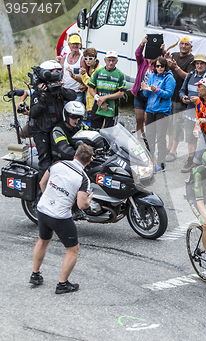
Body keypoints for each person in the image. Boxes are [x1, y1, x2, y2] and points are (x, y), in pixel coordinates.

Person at [29, 144, 94, 294]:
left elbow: (42, 183)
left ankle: (35, 274)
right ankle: (62, 284)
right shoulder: (83, 179)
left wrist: (50, 197)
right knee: (73, 249)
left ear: (75, 155)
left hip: (43, 209)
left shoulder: (58, 164)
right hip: (60, 216)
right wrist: (89, 199)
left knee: (43, 240)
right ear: (89, 161)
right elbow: (81, 204)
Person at [29, 60, 77, 178]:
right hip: (41, 131)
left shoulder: (58, 90)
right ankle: (40, 194)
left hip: (55, 129)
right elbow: (33, 113)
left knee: (59, 158)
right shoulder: (38, 93)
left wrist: (60, 88)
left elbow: (73, 96)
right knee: (45, 162)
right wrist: (43, 98)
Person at [179, 54, 206, 173]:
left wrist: (200, 100)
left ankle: (203, 163)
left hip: (205, 116)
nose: (199, 65)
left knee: (204, 141)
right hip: (191, 114)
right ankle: (191, 160)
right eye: (197, 63)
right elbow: (182, 90)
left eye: (201, 63)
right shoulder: (190, 76)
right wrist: (183, 97)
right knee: (190, 139)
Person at [141, 56, 176, 171]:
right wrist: (146, 90)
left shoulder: (169, 78)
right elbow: (147, 95)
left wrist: (156, 90)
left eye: (161, 66)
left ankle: (161, 164)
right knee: (150, 137)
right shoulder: (151, 76)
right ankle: (150, 161)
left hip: (162, 111)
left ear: (165, 67)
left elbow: (168, 94)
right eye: (157, 66)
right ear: (154, 67)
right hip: (150, 110)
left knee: (161, 137)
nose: (159, 68)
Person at [165, 36, 195, 163]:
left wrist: (176, 68)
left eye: (186, 44)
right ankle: (169, 146)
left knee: (177, 125)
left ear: (190, 47)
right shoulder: (174, 55)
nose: (183, 46)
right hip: (169, 95)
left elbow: (189, 77)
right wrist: (165, 59)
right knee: (169, 124)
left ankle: (173, 150)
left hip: (181, 97)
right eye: (182, 43)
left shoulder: (192, 60)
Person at [131, 36, 162, 140]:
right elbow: (137, 54)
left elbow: (166, 61)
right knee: (138, 119)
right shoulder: (142, 62)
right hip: (139, 93)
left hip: (151, 95)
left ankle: (147, 139)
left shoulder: (158, 65)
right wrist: (142, 44)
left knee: (146, 119)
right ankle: (138, 138)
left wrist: (163, 50)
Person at [88, 51, 126, 129]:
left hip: (112, 107)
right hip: (98, 105)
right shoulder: (98, 72)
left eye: (113, 60)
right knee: (94, 130)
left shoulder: (120, 74)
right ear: (105, 60)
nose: (111, 63)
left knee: (110, 132)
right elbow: (90, 88)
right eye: (109, 60)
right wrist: (99, 99)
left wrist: (105, 97)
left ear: (117, 61)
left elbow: (121, 93)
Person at [57, 33, 85, 104]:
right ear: (69, 45)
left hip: (77, 92)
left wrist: (73, 76)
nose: (75, 45)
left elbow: (85, 78)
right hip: (65, 90)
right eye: (73, 44)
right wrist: (60, 80)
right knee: (63, 112)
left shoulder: (82, 59)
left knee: (75, 114)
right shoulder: (64, 57)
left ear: (80, 45)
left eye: (77, 44)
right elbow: (59, 72)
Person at [78, 48, 103, 125]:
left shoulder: (99, 70)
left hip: (95, 101)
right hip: (88, 99)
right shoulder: (88, 67)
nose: (88, 61)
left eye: (90, 59)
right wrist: (85, 88)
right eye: (86, 59)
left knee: (94, 124)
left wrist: (84, 75)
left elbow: (92, 83)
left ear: (95, 58)